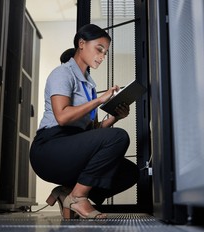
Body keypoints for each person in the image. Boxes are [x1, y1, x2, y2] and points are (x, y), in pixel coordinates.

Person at [30, 24, 139, 219]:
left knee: (130, 172)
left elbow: (93, 131)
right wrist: (99, 100)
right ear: (81, 44)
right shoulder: (62, 73)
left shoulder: (89, 85)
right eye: (99, 49)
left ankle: (69, 192)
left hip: (73, 146)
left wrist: (115, 117)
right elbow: (62, 116)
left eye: (105, 53)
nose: (102, 56)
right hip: (50, 147)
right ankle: (78, 197)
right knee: (119, 137)